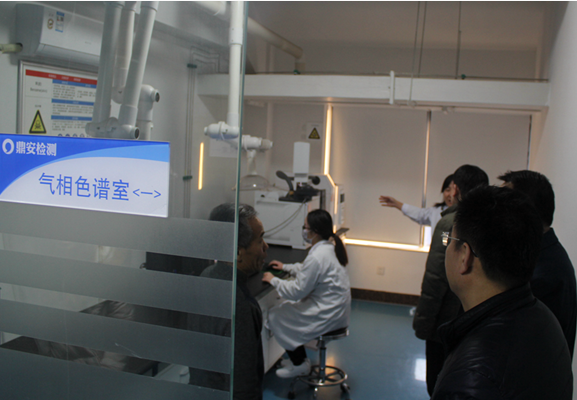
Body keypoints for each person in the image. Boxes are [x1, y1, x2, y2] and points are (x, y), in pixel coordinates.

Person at [432, 185, 573, 399]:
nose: (447, 248)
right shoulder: (544, 317)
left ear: (464, 256)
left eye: (449, 241)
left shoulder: (470, 380)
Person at [413, 165, 488, 395]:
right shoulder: (487, 221)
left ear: (455, 189)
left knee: (437, 383)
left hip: (446, 320)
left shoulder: (449, 225)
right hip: (475, 315)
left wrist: (423, 323)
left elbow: (437, 276)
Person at [188, 203, 268, 400]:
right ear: (238, 252)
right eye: (260, 240)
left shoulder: (206, 276)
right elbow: (243, 387)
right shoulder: (240, 306)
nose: (265, 247)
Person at [262, 209, 351, 378]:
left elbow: (296, 291)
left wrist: (274, 280)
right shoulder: (328, 249)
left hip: (328, 315)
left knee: (275, 315)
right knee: (286, 309)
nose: (304, 230)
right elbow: (308, 270)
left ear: (314, 231)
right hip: (336, 312)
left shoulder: (318, 255)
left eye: (305, 227)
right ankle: (299, 360)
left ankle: (299, 364)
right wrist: (286, 267)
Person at [498, 170, 577, 357]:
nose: (496, 214)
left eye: (503, 206)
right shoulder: (537, 256)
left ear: (523, 213)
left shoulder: (545, 276)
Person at [379, 174, 454, 229]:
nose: (451, 195)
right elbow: (419, 214)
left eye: (454, 191)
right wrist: (397, 204)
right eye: (447, 190)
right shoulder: (436, 212)